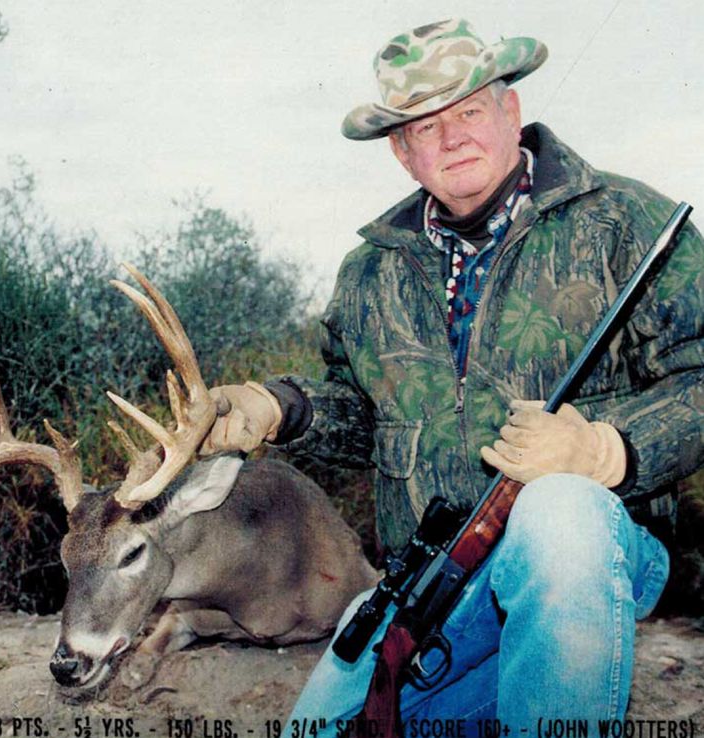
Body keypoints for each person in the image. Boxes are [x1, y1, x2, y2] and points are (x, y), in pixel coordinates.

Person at [202, 19, 703, 725]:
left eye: (469, 111)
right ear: (403, 152)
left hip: (591, 562)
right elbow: (365, 417)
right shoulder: (369, 273)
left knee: (558, 511)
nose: (453, 137)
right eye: (425, 127)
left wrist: (606, 449)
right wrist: (279, 408)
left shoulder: (631, 223)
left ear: (511, 112)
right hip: (429, 586)